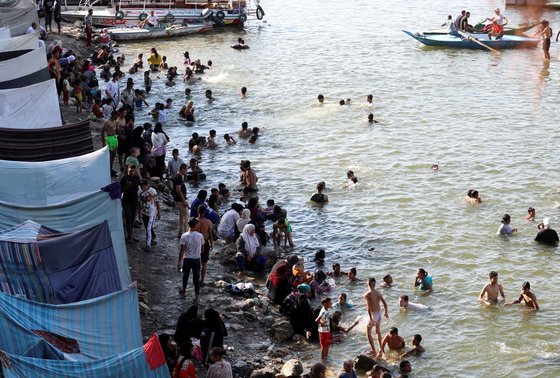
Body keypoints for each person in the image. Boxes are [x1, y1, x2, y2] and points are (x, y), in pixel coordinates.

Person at [177, 218, 204, 303]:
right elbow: (202, 248)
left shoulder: (184, 236)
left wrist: (179, 261)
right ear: (195, 225)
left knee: (185, 276)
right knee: (196, 278)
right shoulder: (200, 236)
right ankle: (197, 297)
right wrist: (198, 253)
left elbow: (182, 250)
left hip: (187, 259)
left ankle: (184, 291)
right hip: (196, 259)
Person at [364, 277, 389, 356]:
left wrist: (371, 318)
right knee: (378, 332)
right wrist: (386, 312)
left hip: (373, 314)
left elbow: (368, 307)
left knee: (368, 332)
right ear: (375, 284)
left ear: (368, 284)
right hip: (379, 313)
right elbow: (385, 303)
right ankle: (381, 350)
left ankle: (374, 350)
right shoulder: (378, 292)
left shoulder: (367, 294)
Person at [192, 204, 214, 286]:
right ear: (205, 212)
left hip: (196, 242)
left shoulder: (194, 221)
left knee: (195, 261)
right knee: (204, 263)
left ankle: (196, 279)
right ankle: (202, 281)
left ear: (197, 211)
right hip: (204, 242)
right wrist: (211, 244)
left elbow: (190, 233)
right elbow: (210, 234)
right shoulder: (208, 222)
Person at [120, 164, 140, 244]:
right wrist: (127, 186)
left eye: (133, 171)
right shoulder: (124, 179)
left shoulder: (136, 178)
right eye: (130, 170)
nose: (131, 172)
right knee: (128, 219)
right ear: (127, 169)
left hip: (134, 201)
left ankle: (131, 235)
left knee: (132, 219)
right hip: (126, 201)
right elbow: (121, 191)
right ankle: (129, 236)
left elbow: (138, 188)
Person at [138, 180, 160, 248]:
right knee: (146, 227)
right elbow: (138, 203)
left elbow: (157, 202)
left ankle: (148, 244)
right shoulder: (139, 192)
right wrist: (139, 213)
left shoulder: (152, 191)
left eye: (144, 187)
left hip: (151, 213)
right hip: (144, 212)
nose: (143, 188)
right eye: (141, 187)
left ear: (147, 185)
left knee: (148, 228)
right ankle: (151, 237)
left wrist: (158, 212)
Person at [173, 164, 189, 237]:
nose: (186, 171)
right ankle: (186, 233)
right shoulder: (178, 177)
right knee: (186, 216)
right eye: (186, 169)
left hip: (178, 199)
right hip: (180, 200)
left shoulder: (178, 176)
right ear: (182, 169)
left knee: (181, 216)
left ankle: (180, 232)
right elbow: (178, 190)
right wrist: (184, 201)